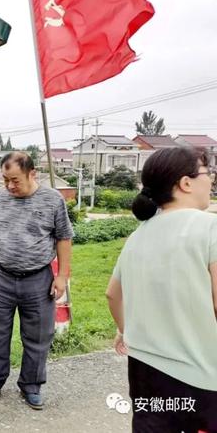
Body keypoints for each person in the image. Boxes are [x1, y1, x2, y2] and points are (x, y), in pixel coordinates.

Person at [106, 147, 217, 432]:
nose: (212, 179)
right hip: (202, 380)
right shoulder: (210, 228)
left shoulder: (137, 235)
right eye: (207, 172)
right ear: (186, 183)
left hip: (145, 375)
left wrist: (124, 330)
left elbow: (113, 294)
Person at [0, 151, 73, 409]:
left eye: (15, 180)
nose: (9, 186)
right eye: (5, 179)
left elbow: (64, 238)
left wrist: (62, 276)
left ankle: (31, 386)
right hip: (0, 277)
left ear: (32, 174)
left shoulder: (52, 200)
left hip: (38, 279)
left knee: (38, 337)